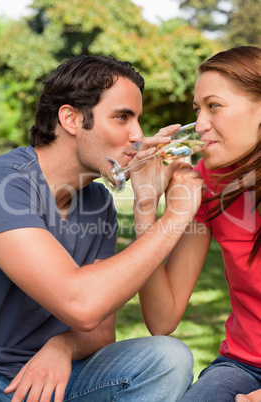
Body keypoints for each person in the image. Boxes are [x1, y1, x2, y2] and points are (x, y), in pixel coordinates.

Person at [0, 55, 204, 401]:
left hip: (60, 376)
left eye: (137, 119)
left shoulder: (97, 202)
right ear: (71, 118)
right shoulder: (5, 185)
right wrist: (176, 216)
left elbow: (101, 331)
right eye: (122, 117)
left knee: (168, 357)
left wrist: (63, 345)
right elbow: (81, 304)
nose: (138, 135)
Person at [135, 46, 261, 402]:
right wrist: (147, 207)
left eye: (214, 106)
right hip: (243, 366)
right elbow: (163, 319)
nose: (201, 124)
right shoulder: (208, 181)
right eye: (197, 109)